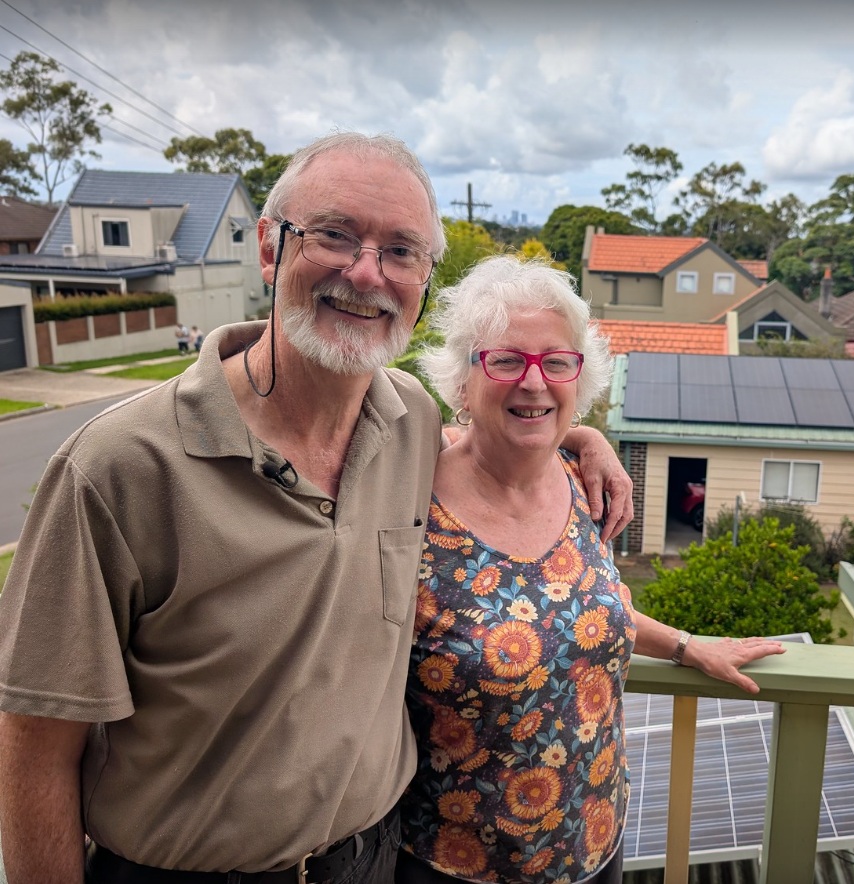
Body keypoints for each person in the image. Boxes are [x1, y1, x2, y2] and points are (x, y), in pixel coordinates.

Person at [0, 133, 632, 884]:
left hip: (373, 860)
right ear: (269, 249)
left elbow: (501, 431)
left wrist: (581, 437)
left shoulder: (409, 424)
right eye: (333, 236)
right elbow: (35, 741)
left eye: (401, 251)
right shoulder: (118, 468)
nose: (367, 273)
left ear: (423, 280)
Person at [396, 256, 785, 884]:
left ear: (579, 377)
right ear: (463, 379)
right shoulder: (409, 501)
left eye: (556, 362)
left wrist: (687, 646)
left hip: (595, 843)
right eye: (505, 360)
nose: (533, 381)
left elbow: (579, 610)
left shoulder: (584, 486)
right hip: (460, 865)